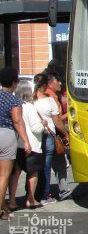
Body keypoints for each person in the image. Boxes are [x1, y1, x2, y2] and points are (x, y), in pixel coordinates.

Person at [8, 80, 45, 210]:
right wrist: (43, 124)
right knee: (33, 172)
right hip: (31, 144)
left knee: (15, 172)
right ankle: (31, 199)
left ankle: (12, 200)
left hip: (16, 143)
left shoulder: (13, 105)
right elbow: (36, 129)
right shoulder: (30, 107)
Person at [0, 67, 31, 219]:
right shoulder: (14, 100)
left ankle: (3, 205)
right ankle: (1, 210)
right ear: (14, 83)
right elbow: (17, 121)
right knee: (4, 175)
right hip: (6, 135)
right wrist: (25, 141)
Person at [33, 73, 69, 204]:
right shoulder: (49, 100)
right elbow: (58, 122)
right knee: (47, 166)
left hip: (35, 136)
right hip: (49, 137)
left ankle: (33, 194)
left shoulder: (31, 100)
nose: (60, 83)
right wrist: (66, 134)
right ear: (45, 85)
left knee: (36, 167)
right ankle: (45, 195)